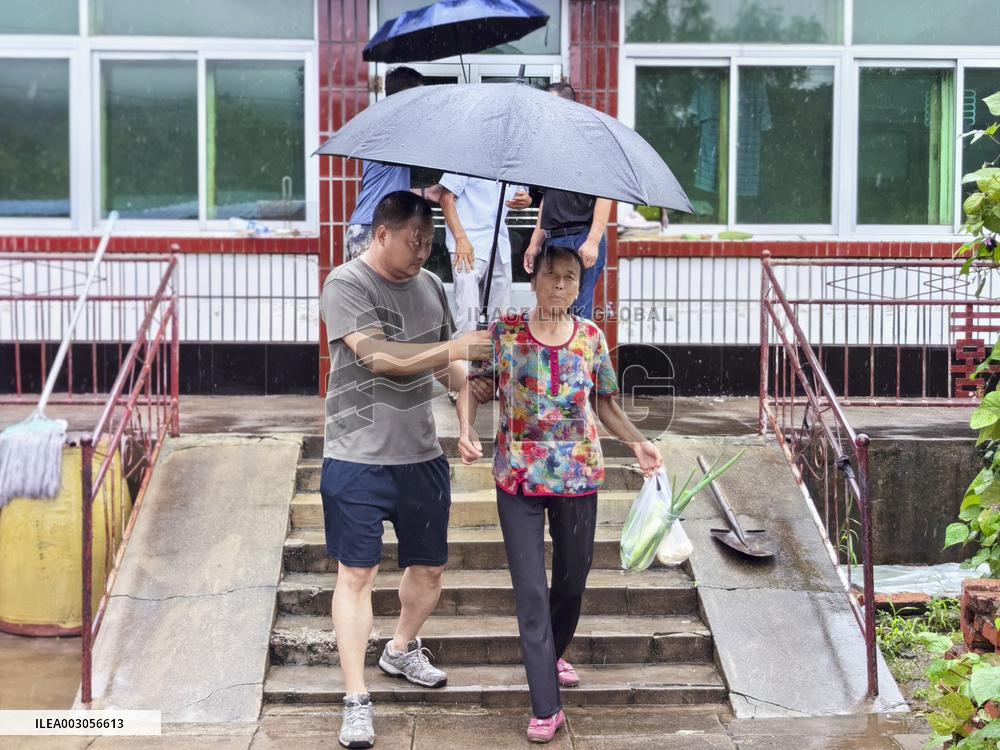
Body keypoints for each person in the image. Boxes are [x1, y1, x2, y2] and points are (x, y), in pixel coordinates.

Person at [455, 243, 663, 744]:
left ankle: (552, 652)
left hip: (578, 477)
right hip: (518, 479)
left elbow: (606, 405)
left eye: (570, 278)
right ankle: (546, 707)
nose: (561, 286)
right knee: (530, 591)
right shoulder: (505, 332)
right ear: (534, 276)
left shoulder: (591, 337)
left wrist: (639, 443)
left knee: (572, 580)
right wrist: (466, 427)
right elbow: (474, 386)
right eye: (552, 276)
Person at [320, 191, 492, 749]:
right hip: (356, 457)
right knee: (357, 574)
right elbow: (383, 360)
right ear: (381, 234)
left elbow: (451, 368)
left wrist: (467, 420)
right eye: (415, 241)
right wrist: (457, 347)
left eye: (431, 242)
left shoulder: (432, 288)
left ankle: (399, 650)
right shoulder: (346, 284)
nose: (424, 251)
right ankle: (355, 699)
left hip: (421, 457)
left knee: (431, 570)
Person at [523, 82, 613, 321]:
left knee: (578, 314)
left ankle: (581, 359)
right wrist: (535, 242)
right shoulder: (549, 148)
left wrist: (593, 241)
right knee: (552, 312)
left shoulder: (589, 144)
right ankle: (554, 359)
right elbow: (546, 200)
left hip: (581, 236)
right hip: (554, 238)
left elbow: (605, 194)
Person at [343, 67, 425, 262]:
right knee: (370, 292)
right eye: (421, 96)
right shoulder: (392, 129)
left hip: (372, 226)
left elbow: (390, 185)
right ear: (408, 97)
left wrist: (426, 193)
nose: (424, 103)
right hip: (371, 229)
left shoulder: (391, 127)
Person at [438, 175, 532, 334]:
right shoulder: (469, 152)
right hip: (467, 243)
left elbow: (522, 194)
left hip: (499, 243)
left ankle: (496, 358)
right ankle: (464, 358)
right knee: (468, 317)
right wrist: (460, 238)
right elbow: (446, 197)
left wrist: (527, 200)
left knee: (501, 318)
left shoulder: (515, 159)